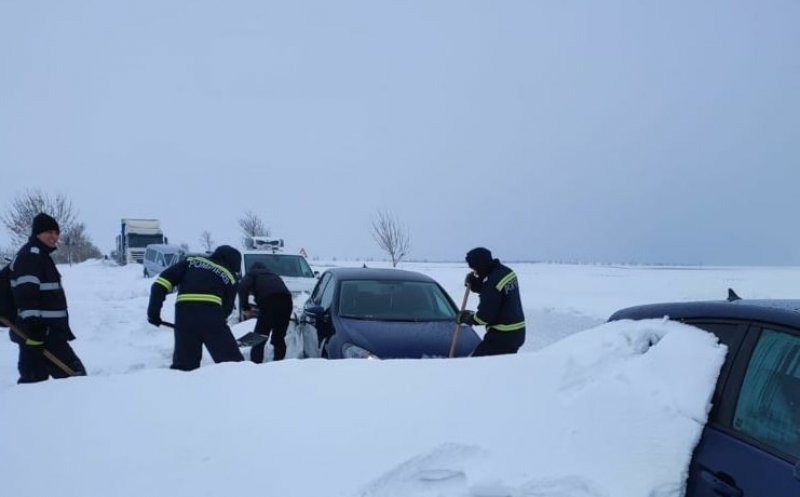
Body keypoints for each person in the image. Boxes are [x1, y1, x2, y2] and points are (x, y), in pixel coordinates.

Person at [9, 212, 87, 383]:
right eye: (48, 232)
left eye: (56, 232)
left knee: (35, 379)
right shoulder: (31, 255)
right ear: (37, 233)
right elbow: (26, 292)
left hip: (43, 332)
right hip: (41, 333)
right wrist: (34, 327)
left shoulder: (40, 256)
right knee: (76, 377)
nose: (54, 236)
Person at [147, 245, 244, 370]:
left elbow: (160, 284)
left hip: (185, 317)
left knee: (184, 367)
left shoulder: (190, 262)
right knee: (233, 365)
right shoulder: (230, 277)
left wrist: (153, 313)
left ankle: (181, 387)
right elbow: (227, 309)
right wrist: (219, 325)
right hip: (212, 318)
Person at [457, 247, 526, 356]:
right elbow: (496, 294)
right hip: (517, 331)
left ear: (480, 265)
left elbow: (483, 317)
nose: (475, 272)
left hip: (503, 335)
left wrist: (468, 318)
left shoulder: (493, 283)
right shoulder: (507, 272)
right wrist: (477, 283)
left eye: (475, 268)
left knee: (476, 365)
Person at [238, 261, 293, 363]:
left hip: (269, 302)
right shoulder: (273, 275)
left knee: (259, 337)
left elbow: (242, 287)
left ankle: (256, 365)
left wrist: (246, 308)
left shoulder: (252, 274)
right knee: (279, 337)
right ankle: (279, 363)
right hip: (287, 302)